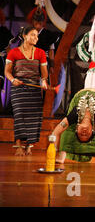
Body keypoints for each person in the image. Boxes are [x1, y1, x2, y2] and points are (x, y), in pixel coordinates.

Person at [4, 26, 48, 156]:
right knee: (19, 116)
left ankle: (29, 145)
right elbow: (7, 71)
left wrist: (44, 81)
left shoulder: (40, 53)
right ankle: (18, 145)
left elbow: (44, 74)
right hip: (18, 88)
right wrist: (12, 80)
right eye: (33, 35)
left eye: (37, 35)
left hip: (34, 89)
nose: (36, 38)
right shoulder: (13, 52)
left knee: (33, 117)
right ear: (24, 36)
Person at [51, 88, 95, 167]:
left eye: (81, 135)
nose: (84, 133)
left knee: (66, 130)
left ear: (77, 128)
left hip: (78, 95)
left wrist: (52, 154)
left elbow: (56, 132)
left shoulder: (74, 114)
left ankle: (61, 156)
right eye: (87, 135)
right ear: (92, 130)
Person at [26, 0, 60, 74]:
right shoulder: (27, 33)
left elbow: (51, 52)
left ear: (43, 22)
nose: (38, 25)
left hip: (43, 63)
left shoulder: (49, 35)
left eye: (40, 23)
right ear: (33, 22)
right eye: (36, 23)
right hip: (29, 63)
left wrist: (51, 66)